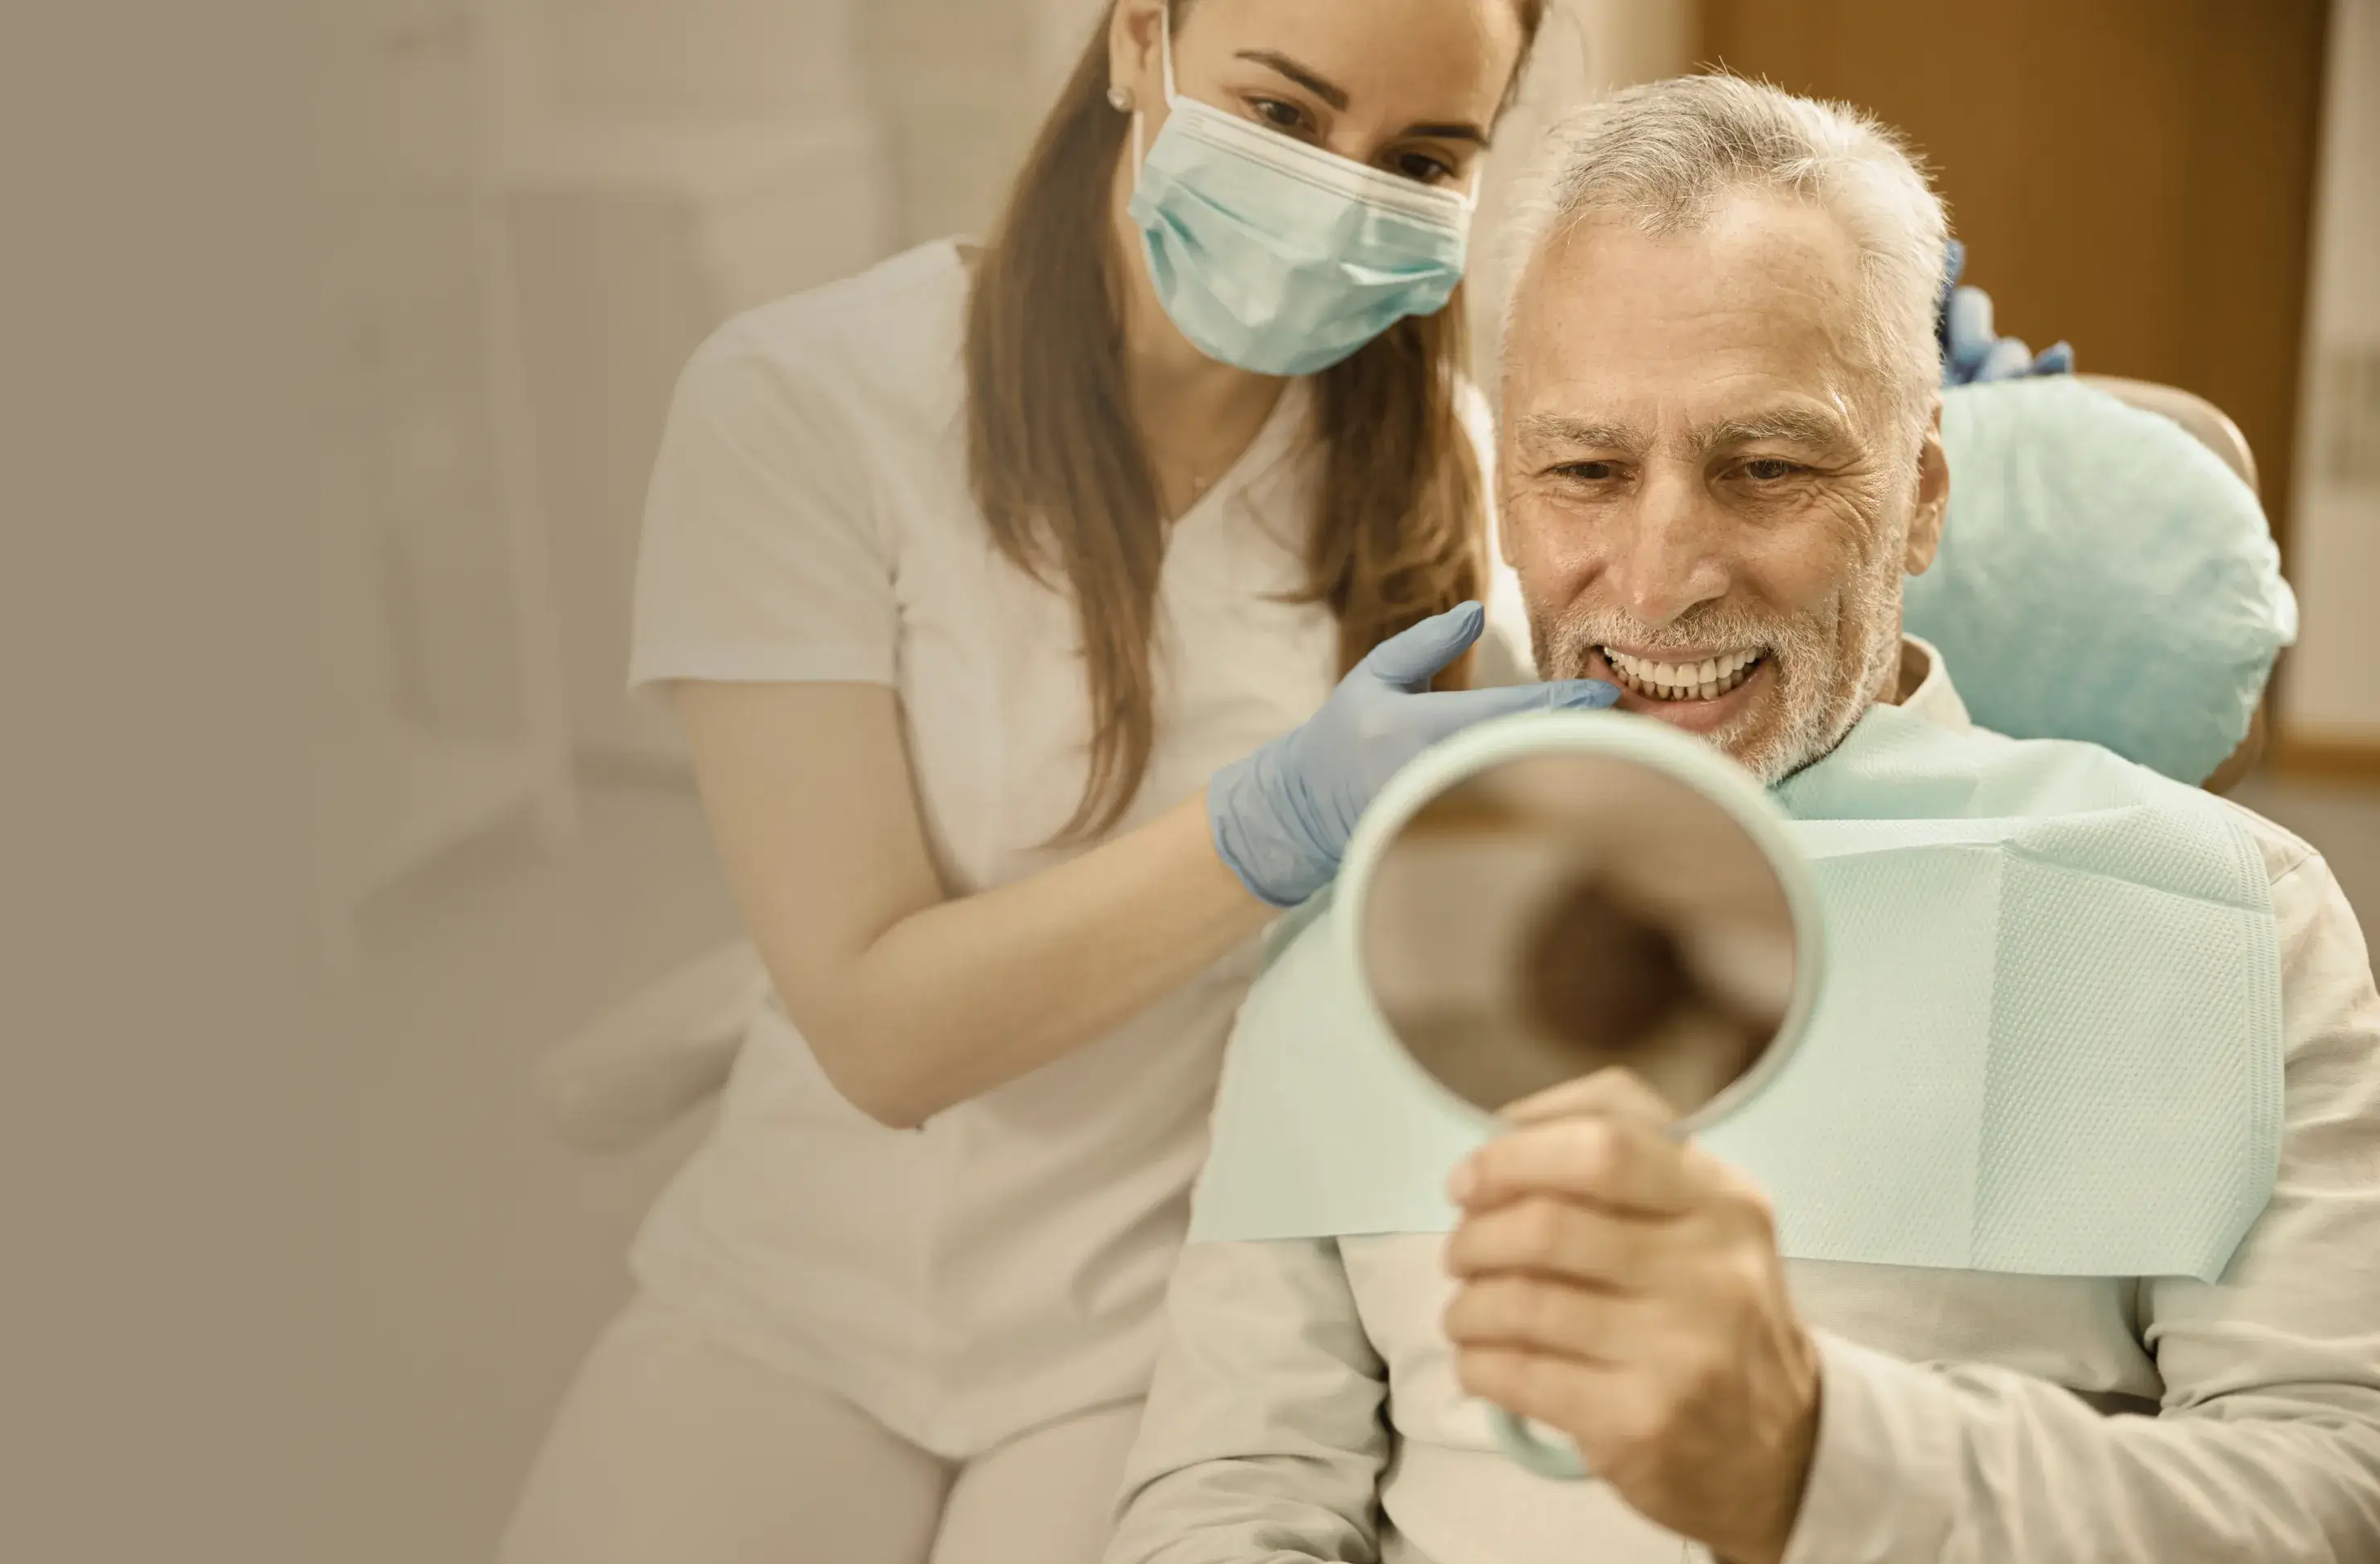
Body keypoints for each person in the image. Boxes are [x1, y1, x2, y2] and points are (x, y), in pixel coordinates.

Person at [1104, 74, 2380, 1563]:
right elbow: (1235, 1483)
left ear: (1918, 498)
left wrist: (1819, 1460)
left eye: (1763, 469)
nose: (1657, 583)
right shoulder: (1365, 926)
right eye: (1584, 471)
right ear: (1507, 492)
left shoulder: (2227, 917)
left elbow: (2335, 1491)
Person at [491, 2, 1629, 1561]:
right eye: (1286, 118)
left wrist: (1912, 422)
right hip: (798, 1292)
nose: (1342, 194)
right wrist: (1270, 825)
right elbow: (882, 1037)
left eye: (1421, 158)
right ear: (1136, 42)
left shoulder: (1445, 473)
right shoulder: (807, 406)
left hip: (1156, 1331)